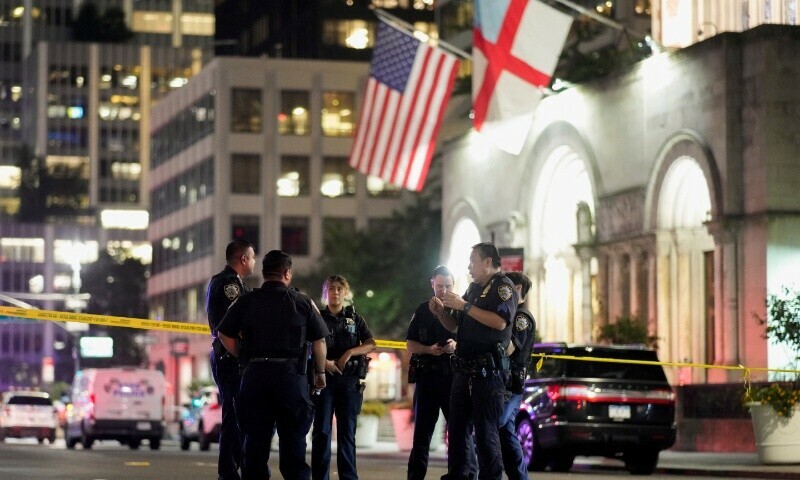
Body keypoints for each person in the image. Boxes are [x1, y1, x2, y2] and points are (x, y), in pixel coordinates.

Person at [217, 250, 328, 480]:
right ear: (287, 273)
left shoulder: (246, 300)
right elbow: (319, 341)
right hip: (291, 379)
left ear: (264, 273)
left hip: (255, 378)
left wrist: (243, 357)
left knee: (254, 451)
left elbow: (223, 334)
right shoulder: (302, 302)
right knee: (294, 451)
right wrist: (320, 373)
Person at [430, 242, 517, 480]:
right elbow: (456, 325)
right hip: (463, 371)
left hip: (488, 375)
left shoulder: (503, 287)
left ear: (488, 262)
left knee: (485, 434)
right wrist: (441, 313)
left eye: (472, 262)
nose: (469, 267)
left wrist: (465, 305)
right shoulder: (474, 288)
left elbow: (500, 322)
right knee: (456, 432)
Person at [406, 265, 476, 480]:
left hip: (453, 379)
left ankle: (465, 475)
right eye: (439, 286)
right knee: (421, 436)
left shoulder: (461, 309)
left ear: (454, 285)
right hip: (427, 378)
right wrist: (429, 350)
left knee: (459, 433)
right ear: (432, 284)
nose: (443, 291)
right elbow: (410, 344)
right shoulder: (422, 310)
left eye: (447, 286)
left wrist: (456, 345)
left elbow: (473, 341)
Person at [312, 275, 377, 480]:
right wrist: (325, 364)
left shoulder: (354, 318)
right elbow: (308, 347)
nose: (336, 292)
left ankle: (348, 477)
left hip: (349, 382)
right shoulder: (318, 318)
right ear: (326, 293)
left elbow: (371, 343)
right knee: (322, 433)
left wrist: (349, 353)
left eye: (340, 289)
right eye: (331, 289)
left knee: (347, 435)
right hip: (324, 380)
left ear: (345, 293)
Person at [206, 239, 256, 480]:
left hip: (229, 357)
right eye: (252, 257)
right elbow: (233, 324)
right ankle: (228, 472)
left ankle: (234, 469)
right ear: (243, 259)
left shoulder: (231, 282)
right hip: (230, 357)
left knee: (238, 416)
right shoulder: (229, 285)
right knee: (234, 417)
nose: (254, 262)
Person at [499, 271, 536, 480]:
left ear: (518, 289)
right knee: (506, 432)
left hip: (511, 383)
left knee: (495, 426)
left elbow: (511, 348)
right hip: (508, 381)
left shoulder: (521, 316)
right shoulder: (515, 314)